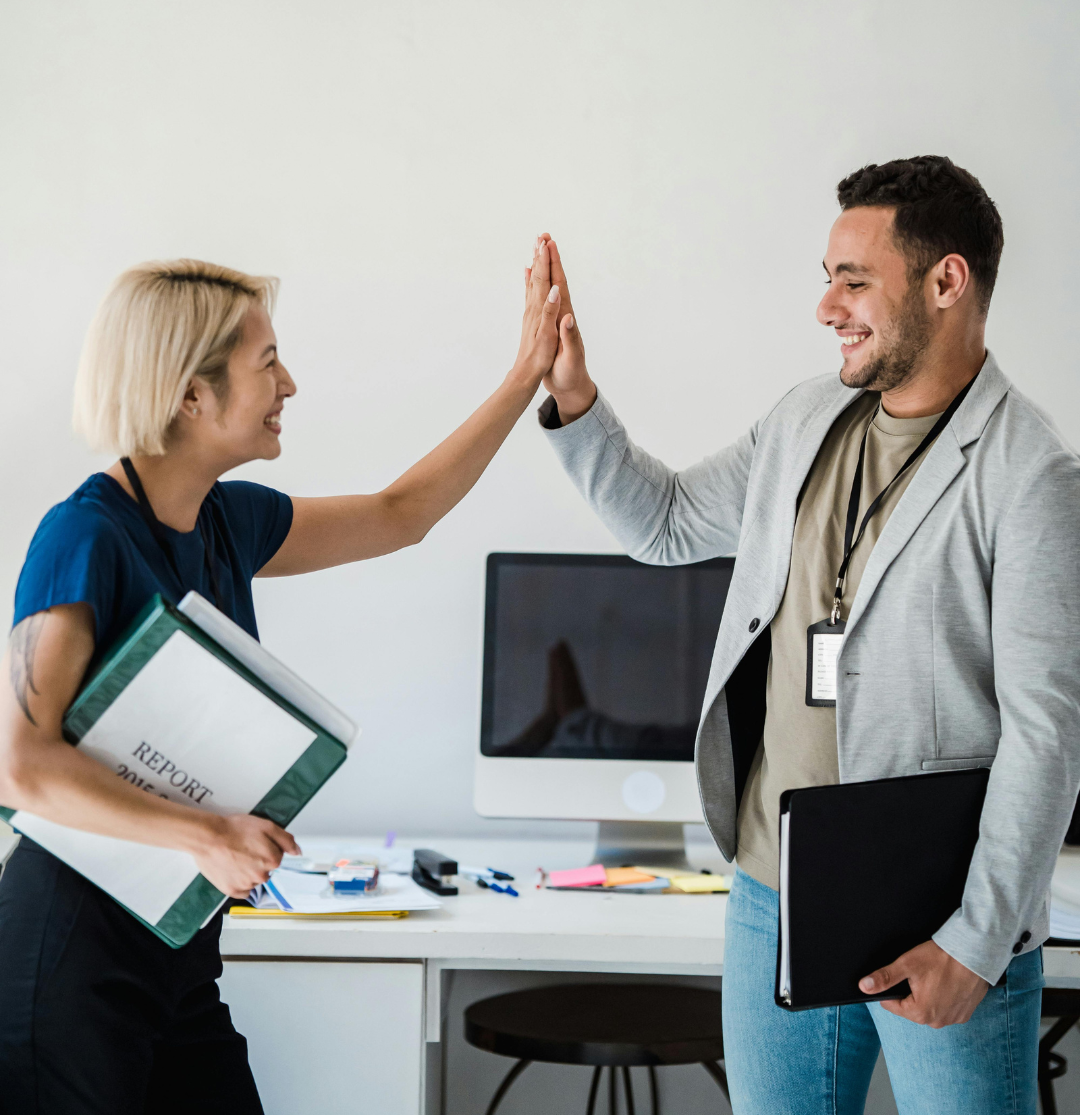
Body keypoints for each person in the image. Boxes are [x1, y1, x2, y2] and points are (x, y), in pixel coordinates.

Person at [533, 156, 1080, 1115]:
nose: (827, 306)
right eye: (827, 278)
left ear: (946, 283)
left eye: (854, 280)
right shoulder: (806, 418)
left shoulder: (1030, 473)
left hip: (938, 917)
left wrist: (977, 945)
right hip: (769, 891)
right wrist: (574, 398)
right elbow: (662, 525)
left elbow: (1048, 733)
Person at [0, 246, 563, 1115]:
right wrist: (205, 835)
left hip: (178, 955)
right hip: (72, 959)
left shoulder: (228, 522)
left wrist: (528, 375)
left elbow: (399, 514)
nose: (289, 384)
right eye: (267, 364)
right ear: (191, 395)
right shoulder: (82, 538)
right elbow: (22, 768)